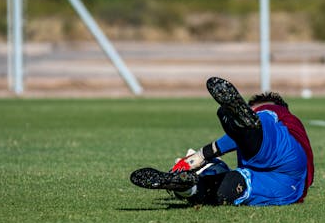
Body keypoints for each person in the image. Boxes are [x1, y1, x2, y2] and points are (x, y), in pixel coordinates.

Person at [130, 77, 314, 206]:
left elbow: (240, 138)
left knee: (263, 124)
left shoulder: (282, 115)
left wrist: (201, 155)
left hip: (287, 156)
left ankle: (243, 125)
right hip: (286, 188)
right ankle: (188, 187)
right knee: (228, 188)